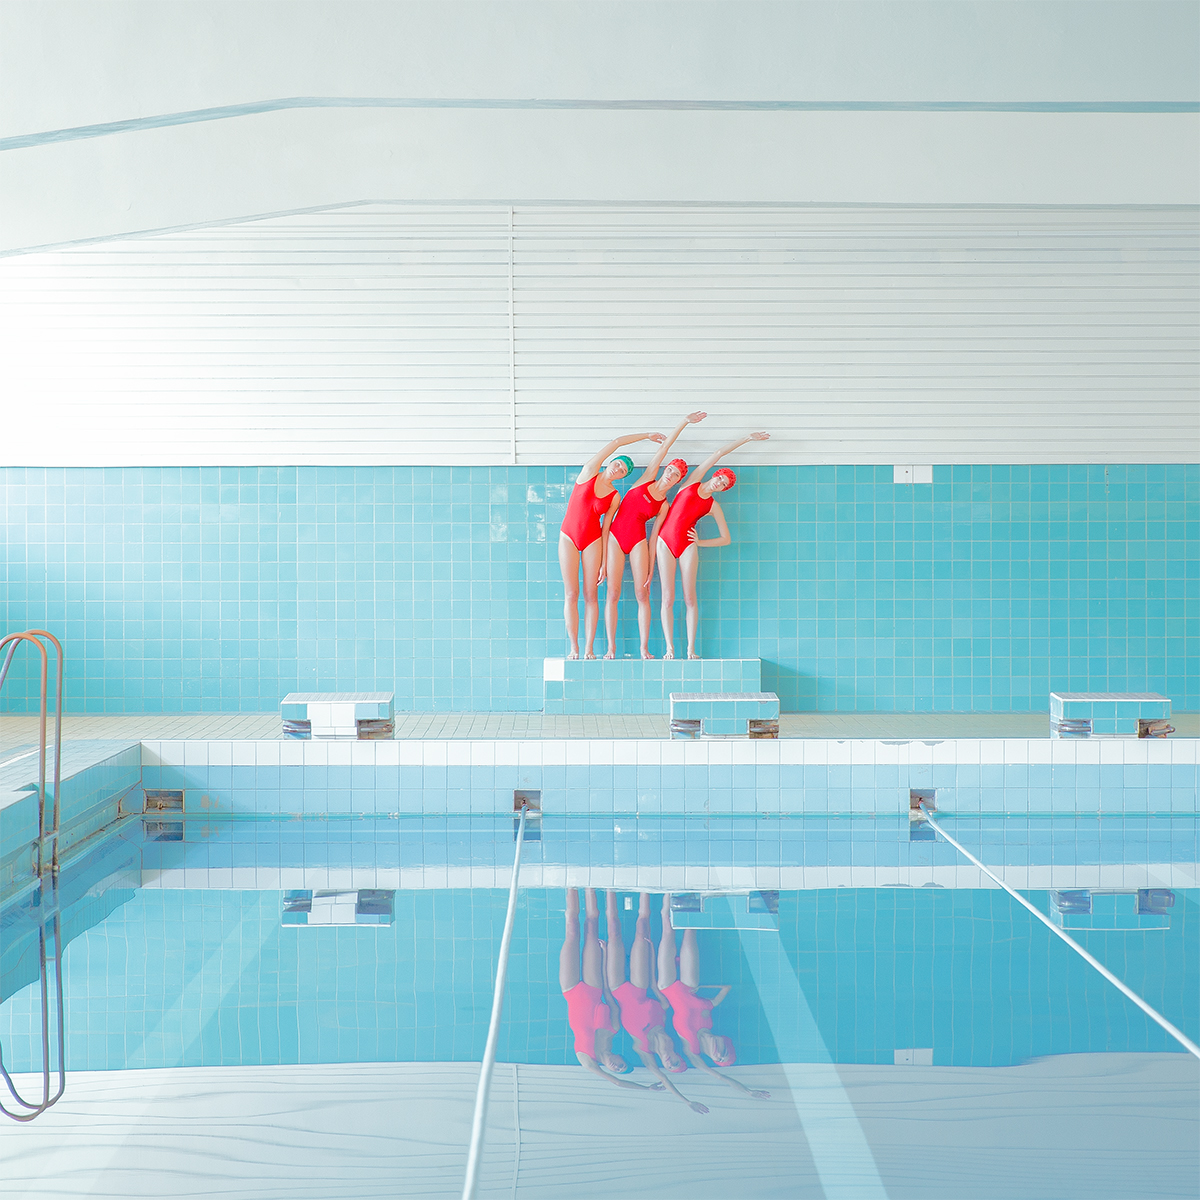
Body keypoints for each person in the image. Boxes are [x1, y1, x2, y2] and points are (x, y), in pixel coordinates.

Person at [604, 411, 707, 660]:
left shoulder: (663, 506)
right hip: (616, 538)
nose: (671, 475)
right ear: (664, 470)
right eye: (670, 469)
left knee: (643, 593)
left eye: (676, 475)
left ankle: (643, 648)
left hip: (639, 541)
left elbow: (654, 539)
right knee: (613, 593)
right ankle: (611, 648)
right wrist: (683, 422)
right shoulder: (646, 479)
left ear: (677, 480)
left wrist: (651, 570)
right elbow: (665, 447)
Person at [655, 432, 769, 659]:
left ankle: (690, 649)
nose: (719, 483)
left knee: (690, 598)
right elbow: (718, 453)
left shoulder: (712, 505)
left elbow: (726, 538)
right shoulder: (692, 482)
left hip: (687, 546)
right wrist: (746, 438)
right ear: (716, 475)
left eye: (724, 484)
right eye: (720, 478)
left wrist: (700, 542)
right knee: (667, 598)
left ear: (723, 489)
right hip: (664, 541)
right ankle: (669, 648)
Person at [559, 432, 666, 660]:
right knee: (571, 593)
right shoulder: (589, 471)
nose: (618, 470)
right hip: (568, 536)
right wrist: (646, 435)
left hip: (593, 540)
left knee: (591, 595)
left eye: (623, 471)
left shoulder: (615, 496)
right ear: (610, 462)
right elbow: (617, 442)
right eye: (617, 464)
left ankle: (588, 649)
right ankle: (574, 648)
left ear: (621, 477)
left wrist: (604, 564)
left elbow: (606, 527)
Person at [657, 894, 770, 1101]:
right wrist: (705, 986)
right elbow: (727, 988)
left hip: (667, 987)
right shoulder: (708, 1014)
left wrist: (747, 1091)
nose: (719, 1056)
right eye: (724, 1055)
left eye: (719, 1059)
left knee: (667, 929)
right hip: (690, 985)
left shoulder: (692, 1050)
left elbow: (721, 1077)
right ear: (726, 1045)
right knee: (690, 933)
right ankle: (693, 897)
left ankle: (667, 894)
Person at [605, 891, 708, 1114]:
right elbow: (653, 985)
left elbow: (662, 1078)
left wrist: (686, 1102)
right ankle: (645, 888)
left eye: (670, 1066)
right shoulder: (666, 1018)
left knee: (614, 933)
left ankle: (609, 890)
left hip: (617, 988)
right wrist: (651, 952)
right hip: (640, 986)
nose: (671, 1063)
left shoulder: (645, 1050)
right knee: (642, 931)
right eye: (677, 1063)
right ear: (679, 1056)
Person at [561, 888, 663, 1093]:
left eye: (617, 1069)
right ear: (620, 1057)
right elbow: (608, 993)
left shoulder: (587, 1059)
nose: (617, 1067)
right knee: (591, 927)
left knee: (572, 930)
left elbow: (615, 1082)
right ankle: (590, 886)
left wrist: (645, 1089)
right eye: (622, 1065)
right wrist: (605, 957)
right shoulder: (614, 1027)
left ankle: (571, 885)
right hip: (594, 986)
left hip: (571, 990)